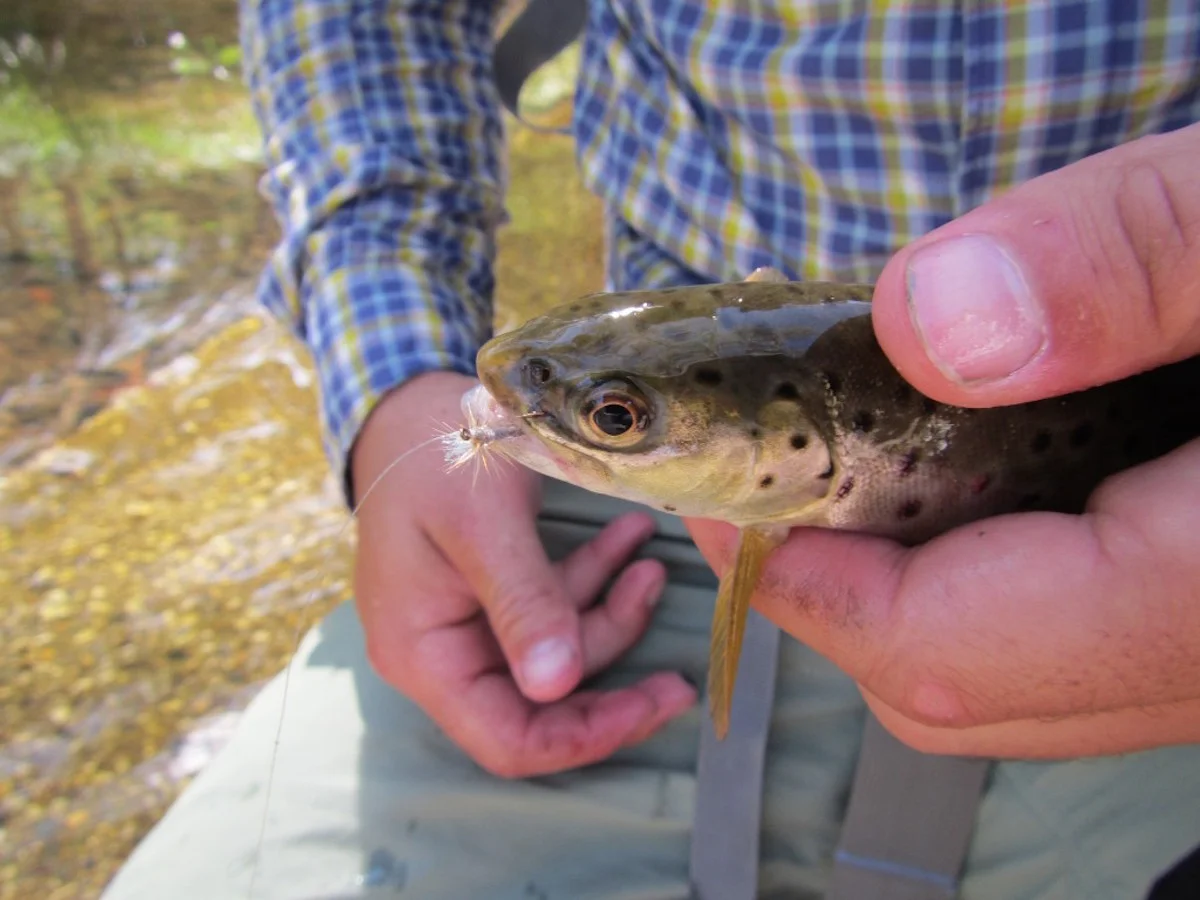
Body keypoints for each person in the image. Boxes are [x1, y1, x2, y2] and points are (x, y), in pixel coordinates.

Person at [103, 1, 1200, 898]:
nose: (534, 402)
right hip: (644, 541)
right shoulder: (661, 458)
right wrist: (392, 368)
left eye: (617, 415)